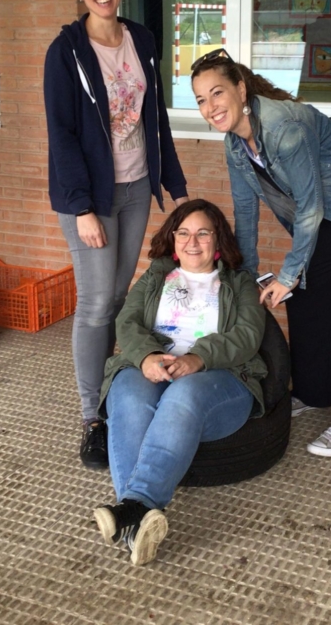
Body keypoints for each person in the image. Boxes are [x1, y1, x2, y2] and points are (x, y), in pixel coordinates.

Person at [190, 49, 331, 458]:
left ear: (240, 89)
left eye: (217, 93)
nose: (211, 107)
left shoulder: (284, 127)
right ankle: (318, 390)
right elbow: (245, 212)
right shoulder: (235, 145)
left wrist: (288, 274)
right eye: (200, 100)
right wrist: (245, 274)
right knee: (313, 296)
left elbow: (309, 206)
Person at [44, 0, 189, 469]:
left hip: (135, 186)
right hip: (91, 197)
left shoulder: (142, 39)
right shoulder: (65, 52)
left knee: (120, 297)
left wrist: (175, 185)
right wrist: (82, 208)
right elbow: (61, 133)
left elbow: (156, 119)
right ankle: (92, 417)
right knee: (95, 302)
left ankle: (113, 389)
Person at [92, 199, 267, 565]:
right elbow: (127, 321)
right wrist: (146, 356)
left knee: (183, 395)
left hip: (219, 378)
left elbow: (248, 335)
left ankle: (133, 506)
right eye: (183, 233)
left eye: (203, 233)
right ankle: (136, 523)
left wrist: (198, 358)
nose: (192, 242)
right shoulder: (157, 275)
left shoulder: (239, 282)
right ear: (172, 239)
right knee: (127, 394)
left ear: (218, 238)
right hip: (155, 365)